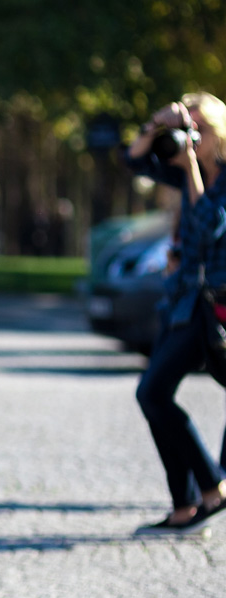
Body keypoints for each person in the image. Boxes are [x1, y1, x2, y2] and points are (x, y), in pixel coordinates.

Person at [127, 92, 226, 533]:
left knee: (153, 392)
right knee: (153, 393)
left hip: (217, 306)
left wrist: (190, 171)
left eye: (202, 128)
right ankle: (189, 501)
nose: (194, 137)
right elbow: (134, 161)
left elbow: (207, 225)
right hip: (186, 301)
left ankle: (210, 488)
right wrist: (155, 125)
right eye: (190, 127)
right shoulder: (188, 164)